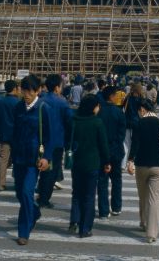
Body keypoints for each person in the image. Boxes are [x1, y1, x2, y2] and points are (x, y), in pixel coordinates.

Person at [11, 74, 52, 246]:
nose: (26, 94)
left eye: (29, 91)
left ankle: (23, 232)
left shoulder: (43, 108)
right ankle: (34, 212)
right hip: (19, 157)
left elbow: (50, 136)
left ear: (38, 91)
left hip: (34, 160)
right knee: (19, 193)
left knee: (27, 193)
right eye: (24, 90)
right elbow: (14, 132)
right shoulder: (18, 107)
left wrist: (47, 157)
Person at [127, 98, 159, 244]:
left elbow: (135, 144)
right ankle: (151, 233)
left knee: (143, 196)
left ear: (142, 109)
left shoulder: (139, 123)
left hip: (141, 165)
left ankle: (144, 222)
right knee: (154, 199)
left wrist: (130, 161)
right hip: (157, 166)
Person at [67, 94, 110, 238]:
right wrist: (107, 162)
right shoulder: (97, 122)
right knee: (89, 196)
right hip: (92, 164)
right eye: (97, 106)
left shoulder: (74, 120)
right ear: (93, 107)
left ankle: (74, 221)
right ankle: (85, 228)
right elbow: (103, 145)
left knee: (76, 193)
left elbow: (68, 140)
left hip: (76, 162)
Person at [37, 74, 73, 208]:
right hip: (57, 142)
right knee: (51, 172)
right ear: (57, 87)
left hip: (40, 141)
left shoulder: (40, 100)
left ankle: (41, 195)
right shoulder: (62, 103)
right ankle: (44, 199)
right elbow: (70, 122)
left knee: (43, 170)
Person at [97, 85, 126, 218]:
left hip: (101, 151)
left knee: (102, 181)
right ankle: (116, 207)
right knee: (116, 180)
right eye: (116, 95)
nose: (117, 97)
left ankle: (103, 210)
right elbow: (121, 135)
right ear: (111, 96)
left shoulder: (99, 111)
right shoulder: (119, 112)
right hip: (116, 151)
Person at [0, 79, 21, 190]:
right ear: (14, 89)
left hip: (4, 135)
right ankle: (18, 181)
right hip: (17, 135)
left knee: (3, 160)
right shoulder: (19, 103)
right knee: (17, 160)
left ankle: (1, 184)